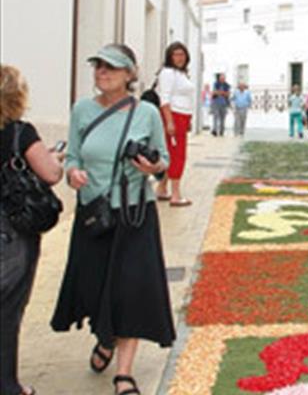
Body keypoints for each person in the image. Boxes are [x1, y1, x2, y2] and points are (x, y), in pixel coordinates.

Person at [51, 44, 175, 395]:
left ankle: (124, 373)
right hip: (95, 214)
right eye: (98, 66)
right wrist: (72, 173)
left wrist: (152, 167)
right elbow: (73, 156)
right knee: (94, 285)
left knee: (129, 292)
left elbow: (164, 161)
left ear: (129, 74)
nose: (102, 72)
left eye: (112, 67)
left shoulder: (146, 112)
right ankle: (105, 336)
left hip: (135, 214)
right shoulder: (82, 109)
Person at [1, 65, 64, 395]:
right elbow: (51, 174)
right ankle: (8, 385)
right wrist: (56, 158)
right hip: (11, 234)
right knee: (7, 311)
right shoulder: (19, 133)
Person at [155, 42, 194, 207]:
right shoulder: (168, 73)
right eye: (176, 54)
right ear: (170, 57)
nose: (180, 58)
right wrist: (169, 121)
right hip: (173, 116)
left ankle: (162, 188)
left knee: (171, 153)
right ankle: (176, 194)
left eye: (182, 54)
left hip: (182, 116)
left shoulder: (181, 74)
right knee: (178, 155)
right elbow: (164, 98)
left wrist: (189, 120)